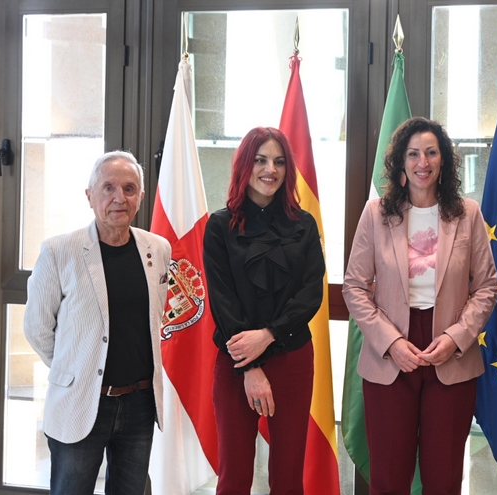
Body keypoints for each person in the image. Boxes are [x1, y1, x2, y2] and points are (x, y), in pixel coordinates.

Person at [343, 117, 497, 495]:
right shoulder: (376, 213)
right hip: (390, 355)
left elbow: (487, 286)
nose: (423, 162)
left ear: (443, 160)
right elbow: (354, 287)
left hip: (450, 355)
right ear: (401, 162)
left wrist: (456, 337)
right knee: (388, 478)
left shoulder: (468, 213)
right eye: (413, 154)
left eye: (431, 152)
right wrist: (392, 342)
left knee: (443, 478)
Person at [24, 150, 171, 495]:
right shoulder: (59, 251)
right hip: (80, 401)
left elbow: (155, 316)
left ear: (140, 197)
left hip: (139, 405)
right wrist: (76, 369)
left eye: (129, 189)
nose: (119, 198)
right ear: (90, 196)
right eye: (108, 188)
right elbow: (37, 328)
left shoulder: (158, 249)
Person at [203, 126, 324, 495]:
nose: (270, 169)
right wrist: (250, 365)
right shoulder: (219, 226)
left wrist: (269, 334)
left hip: (292, 358)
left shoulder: (304, 225)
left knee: (288, 477)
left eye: (279, 161)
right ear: (245, 165)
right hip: (236, 360)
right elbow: (222, 301)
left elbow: (310, 294)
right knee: (234, 476)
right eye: (260, 160)